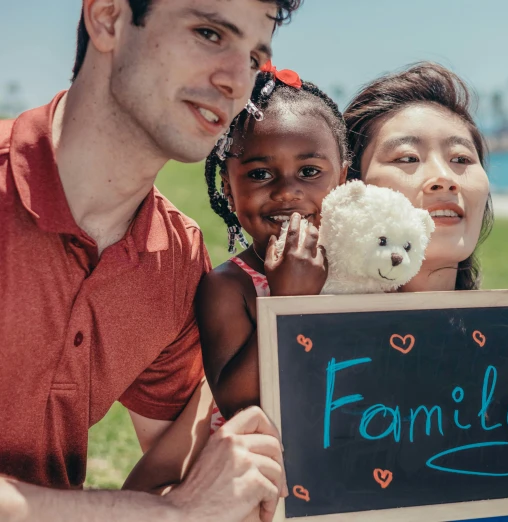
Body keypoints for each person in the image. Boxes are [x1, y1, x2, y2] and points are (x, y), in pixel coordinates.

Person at [0, 0, 301, 520]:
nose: (236, 82)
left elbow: (188, 475)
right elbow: (180, 506)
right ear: (109, 18)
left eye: (254, 58)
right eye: (209, 33)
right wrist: (170, 513)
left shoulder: (176, 258)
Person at [342, 61, 508, 522]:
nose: (444, 178)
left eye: (461, 159)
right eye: (407, 159)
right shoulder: (309, 359)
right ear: (352, 190)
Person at [121, 63, 349, 489]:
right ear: (228, 187)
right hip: (261, 479)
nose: (287, 191)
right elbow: (239, 403)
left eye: (310, 171)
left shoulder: (359, 274)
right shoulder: (230, 286)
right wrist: (285, 305)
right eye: (260, 174)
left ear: (345, 178)